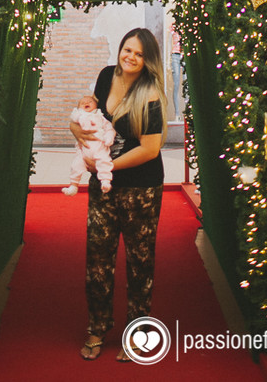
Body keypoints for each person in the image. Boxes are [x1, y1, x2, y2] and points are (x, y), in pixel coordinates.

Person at [71, 28, 167, 362]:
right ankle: (98, 328)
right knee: (97, 258)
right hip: (105, 186)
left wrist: (106, 165)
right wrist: (75, 128)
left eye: (139, 54)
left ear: (147, 60)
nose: (131, 57)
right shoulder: (104, 77)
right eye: (128, 49)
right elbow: (89, 117)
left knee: (140, 262)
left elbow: (151, 149)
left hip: (141, 188)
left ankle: (137, 332)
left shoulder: (150, 92)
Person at [62, 94, 115, 195]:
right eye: (82, 103)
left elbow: (109, 128)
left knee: (104, 162)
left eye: (90, 101)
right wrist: (77, 122)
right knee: (76, 165)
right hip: (84, 149)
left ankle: (105, 181)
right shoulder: (79, 115)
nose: (86, 103)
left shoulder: (100, 117)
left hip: (99, 146)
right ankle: (73, 185)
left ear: (96, 105)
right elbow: (74, 119)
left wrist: (109, 137)